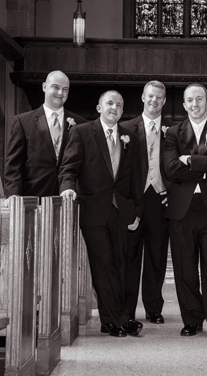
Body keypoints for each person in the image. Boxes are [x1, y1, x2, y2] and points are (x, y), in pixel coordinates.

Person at [59, 90, 144, 338]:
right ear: (99, 107)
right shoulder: (82, 133)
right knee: (104, 264)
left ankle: (111, 320)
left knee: (122, 266)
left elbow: (137, 179)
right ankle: (120, 320)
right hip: (94, 211)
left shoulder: (131, 138)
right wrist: (67, 189)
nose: (114, 108)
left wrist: (137, 210)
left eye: (119, 104)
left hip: (123, 211)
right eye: (109, 103)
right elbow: (69, 167)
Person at [163, 83, 207, 342]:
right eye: (190, 100)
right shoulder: (172, 132)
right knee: (185, 269)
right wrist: (206, 163)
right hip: (182, 209)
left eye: (199, 99)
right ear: (183, 105)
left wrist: (188, 160)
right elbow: (170, 168)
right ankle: (192, 320)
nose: (195, 104)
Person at [120, 81, 173, 324]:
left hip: (159, 199)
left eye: (159, 98)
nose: (154, 101)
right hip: (135, 199)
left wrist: (171, 192)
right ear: (143, 97)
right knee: (130, 256)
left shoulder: (173, 130)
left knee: (157, 255)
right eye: (151, 96)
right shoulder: (126, 128)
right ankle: (127, 309)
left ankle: (153, 307)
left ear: (164, 101)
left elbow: (178, 167)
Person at [4, 70, 86, 197]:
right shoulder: (23, 122)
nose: (60, 93)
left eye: (65, 89)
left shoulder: (80, 124)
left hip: (69, 198)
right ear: (44, 87)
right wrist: (13, 195)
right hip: (33, 197)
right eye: (56, 87)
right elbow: (13, 165)